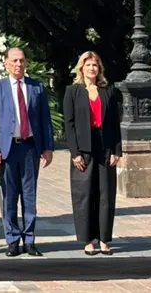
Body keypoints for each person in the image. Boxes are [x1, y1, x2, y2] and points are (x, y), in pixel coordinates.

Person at [0, 47, 54, 257]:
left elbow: (45, 119)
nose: (18, 64)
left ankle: (30, 240)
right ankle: (12, 240)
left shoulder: (36, 87)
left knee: (29, 195)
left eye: (22, 61)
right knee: (9, 196)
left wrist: (48, 147)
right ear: (6, 63)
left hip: (30, 147)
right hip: (8, 148)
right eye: (14, 61)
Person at [63, 51, 121, 256]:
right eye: (87, 65)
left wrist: (117, 150)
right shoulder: (72, 91)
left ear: (99, 69)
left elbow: (114, 122)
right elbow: (69, 124)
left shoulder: (108, 91)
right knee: (84, 194)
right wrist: (75, 152)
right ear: (81, 68)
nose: (91, 69)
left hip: (105, 147)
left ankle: (104, 239)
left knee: (106, 194)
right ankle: (87, 240)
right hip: (83, 149)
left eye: (95, 65)